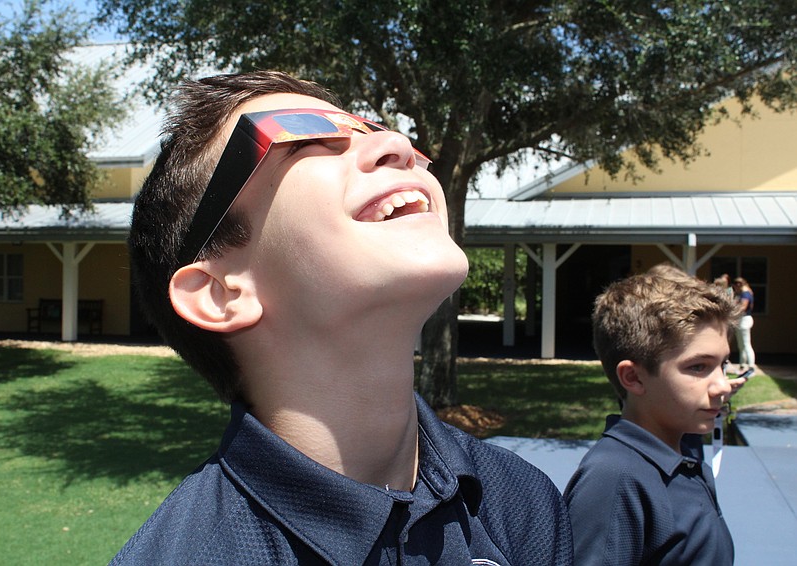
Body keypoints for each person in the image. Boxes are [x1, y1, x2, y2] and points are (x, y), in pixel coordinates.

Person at [111, 71, 572, 565]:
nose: (396, 143)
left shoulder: (521, 500)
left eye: (370, 131)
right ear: (222, 293)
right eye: (303, 137)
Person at [564, 268, 741, 565]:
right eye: (698, 367)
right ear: (633, 377)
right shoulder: (615, 480)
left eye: (723, 364)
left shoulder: (679, 448)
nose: (722, 386)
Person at [733, 277, 756, 379]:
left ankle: (751, 367)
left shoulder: (745, 294)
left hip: (744, 320)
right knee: (741, 345)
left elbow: (743, 307)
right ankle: (742, 365)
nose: (735, 289)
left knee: (746, 344)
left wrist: (732, 311)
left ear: (738, 285)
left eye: (735, 287)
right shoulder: (746, 292)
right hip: (742, 320)